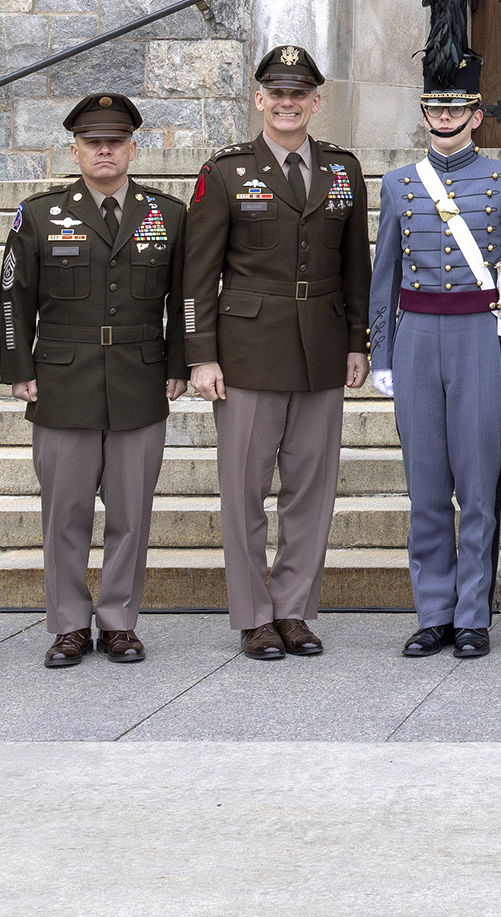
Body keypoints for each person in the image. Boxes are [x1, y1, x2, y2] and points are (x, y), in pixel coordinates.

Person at [366, 0, 501, 661]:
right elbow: (383, 274)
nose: (444, 114)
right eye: (434, 103)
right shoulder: (401, 185)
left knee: (477, 480)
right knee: (426, 484)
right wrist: (381, 350)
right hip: (416, 337)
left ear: (477, 112)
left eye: (456, 104)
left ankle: (473, 612)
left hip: (476, 338)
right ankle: (432, 608)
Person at [183, 43, 372, 662]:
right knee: (244, 491)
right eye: (277, 94)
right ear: (259, 99)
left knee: (310, 492)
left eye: (300, 95)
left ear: (317, 102)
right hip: (247, 351)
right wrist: (201, 355)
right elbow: (197, 273)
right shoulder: (227, 171)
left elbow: (355, 269)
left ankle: (293, 609)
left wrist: (355, 342)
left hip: (319, 347)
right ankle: (253, 614)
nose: (288, 104)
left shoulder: (343, 169)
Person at [0, 93, 186, 669]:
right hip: (63, 382)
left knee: (132, 512)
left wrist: (179, 364)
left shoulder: (169, 214)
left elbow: (185, 298)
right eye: (91, 142)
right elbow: (12, 295)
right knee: (66, 513)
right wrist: (18, 368)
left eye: (115, 141)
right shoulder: (39, 214)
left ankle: (120, 622)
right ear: (75, 150)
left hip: (140, 380)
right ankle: (69, 625)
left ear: (133, 147)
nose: (104, 150)